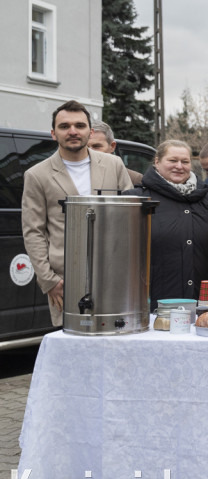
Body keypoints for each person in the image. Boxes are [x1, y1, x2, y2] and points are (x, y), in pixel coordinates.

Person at [22, 100, 134, 326]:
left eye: (80, 126)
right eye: (64, 126)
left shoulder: (114, 165)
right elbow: (33, 232)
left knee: (117, 344)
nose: (73, 131)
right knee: (73, 347)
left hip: (114, 275)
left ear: (90, 131)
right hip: (66, 281)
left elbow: (131, 219)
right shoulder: (37, 175)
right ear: (54, 133)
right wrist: (49, 281)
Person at [126, 140, 208, 311]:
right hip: (154, 306)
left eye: (185, 162)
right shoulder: (137, 200)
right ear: (157, 162)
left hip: (203, 305)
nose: (179, 166)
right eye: (172, 160)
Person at [88, 121, 144, 186]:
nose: (90, 151)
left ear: (112, 146)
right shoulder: (75, 176)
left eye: (96, 146)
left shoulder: (133, 179)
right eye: (85, 147)